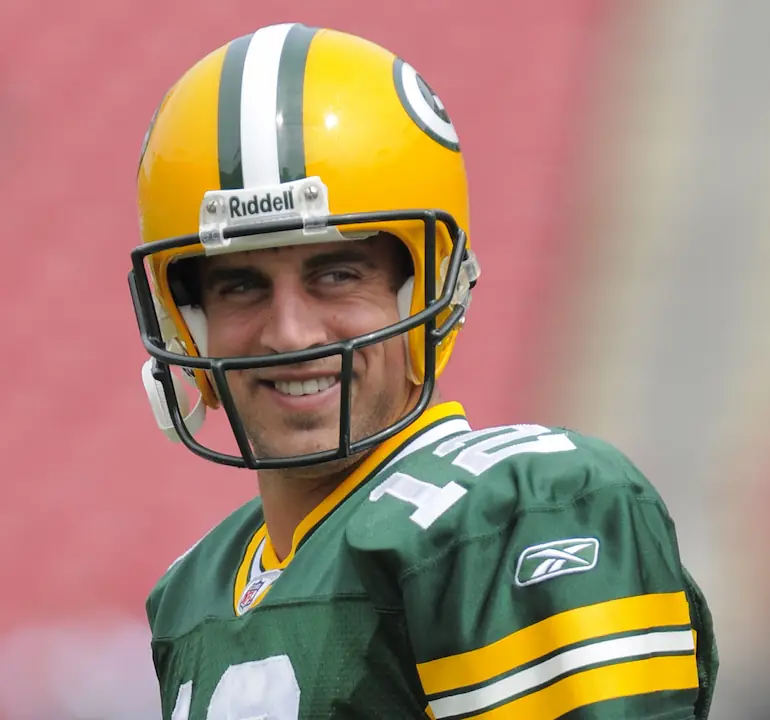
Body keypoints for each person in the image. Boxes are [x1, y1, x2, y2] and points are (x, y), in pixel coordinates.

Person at [129, 23, 717, 719]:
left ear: (430, 289)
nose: (289, 332)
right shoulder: (196, 588)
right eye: (240, 287)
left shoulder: (514, 516)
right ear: (183, 322)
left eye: (337, 274)